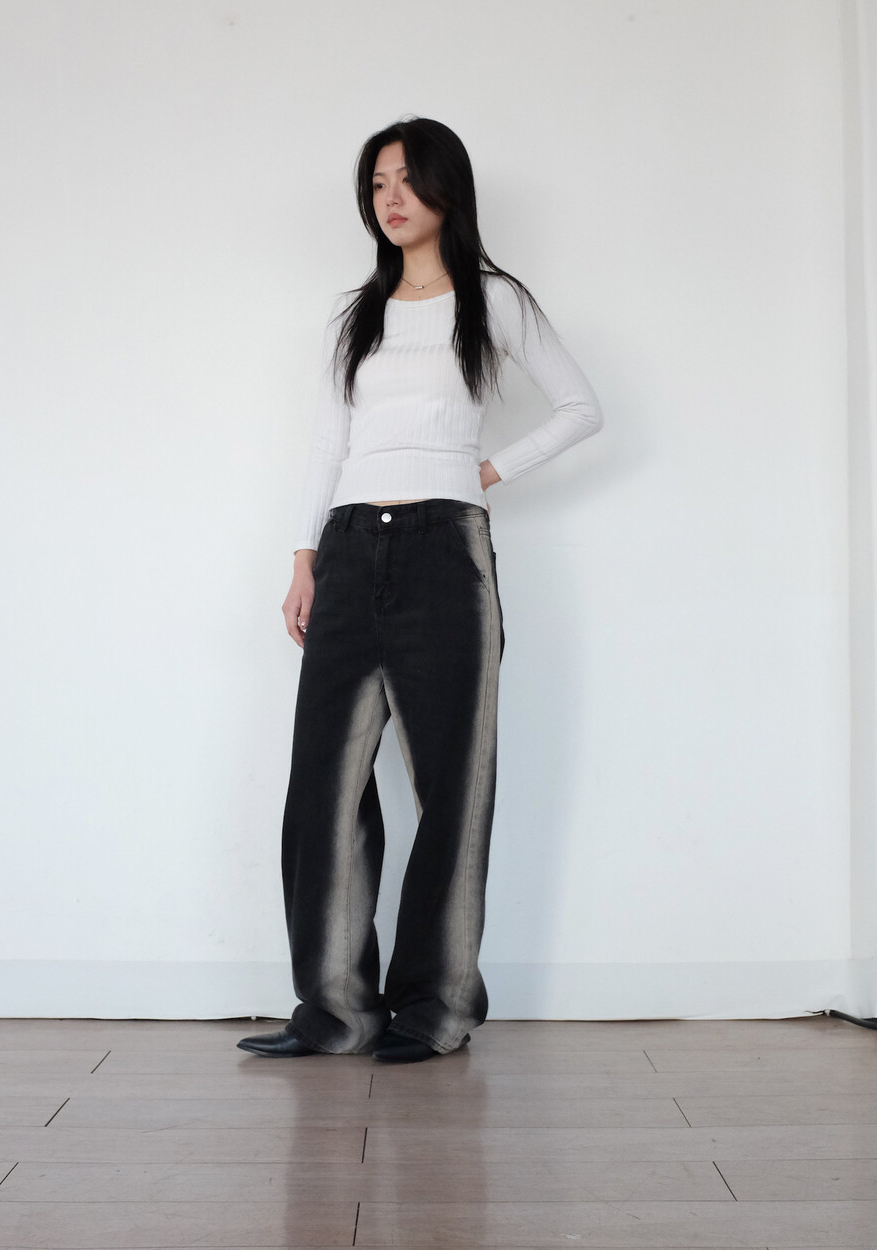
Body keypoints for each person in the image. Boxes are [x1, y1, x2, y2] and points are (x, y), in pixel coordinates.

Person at [238, 117, 602, 1064]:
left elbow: (581, 408)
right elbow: (328, 442)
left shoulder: (493, 300)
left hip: (447, 550)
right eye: (376, 184)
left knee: (452, 787)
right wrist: (303, 557)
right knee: (322, 787)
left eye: (406, 179)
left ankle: (434, 1010)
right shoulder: (356, 313)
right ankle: (335, 1011)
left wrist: (485, 470)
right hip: (350, 546)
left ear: (447, 188)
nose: (390, 198)